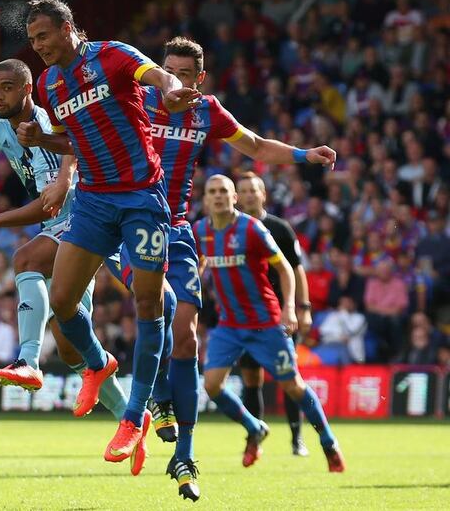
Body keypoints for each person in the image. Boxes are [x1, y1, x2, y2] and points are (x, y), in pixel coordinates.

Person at [50, 36, 336, 499]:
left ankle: (182, 448)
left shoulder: (207, 111)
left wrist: (306, 155)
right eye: (170, 71)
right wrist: (64, 173)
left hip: (176, 227)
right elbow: (83, 130)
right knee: (152, 304)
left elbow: (258, 147)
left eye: (185, 75)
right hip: (122, 215)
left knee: (183, 330)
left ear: (198, 79)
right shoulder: (136, 95)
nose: (176, 81)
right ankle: (147, 401)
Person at [16, 0, 199, 474]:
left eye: (44, 36)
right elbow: (70, 139)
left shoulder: (112, 55)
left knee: (147, 304)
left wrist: (174, 88)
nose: (38, 47)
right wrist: (42, 142)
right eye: (32, 40)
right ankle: (98, 365)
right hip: (94, 202)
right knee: (62, 303)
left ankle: (135, 416)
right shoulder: (51, 83)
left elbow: (159, 77)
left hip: (141, 198)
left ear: (68, 27)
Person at [0, 59, 129, 423]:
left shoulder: (43, 128)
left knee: (25, 259)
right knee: (71, 347)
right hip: (61, 226)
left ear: (26, 89)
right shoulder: (0, 125)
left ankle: (28, 360)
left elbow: (51, 203)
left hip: (83, 218)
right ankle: (131, 415)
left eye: (6, 87)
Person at [194, 175, 345, 473]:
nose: (218, 196)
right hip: (229, 325)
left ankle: (327, 441)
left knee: (293, 385)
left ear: (234, 197)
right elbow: (199, 264)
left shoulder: (251, 229)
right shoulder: (200, 231)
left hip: (265, 323)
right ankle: (254, 427)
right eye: (212, 192)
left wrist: (291, 308)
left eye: (224, 191)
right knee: (211, 385)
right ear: (206, 199)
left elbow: (286, 268)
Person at [236, 171, 314, 456]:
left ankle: (297, 439)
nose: (248, 195)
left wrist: (301, 309)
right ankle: (254, 438)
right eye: (243, 190)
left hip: (279, 316)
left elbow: (296, 270)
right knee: (251, 378)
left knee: (288, 378)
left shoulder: (280, 229)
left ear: (263, 194)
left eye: (253, 190)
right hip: (244, 318)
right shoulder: (231, 229)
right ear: (237, 196)